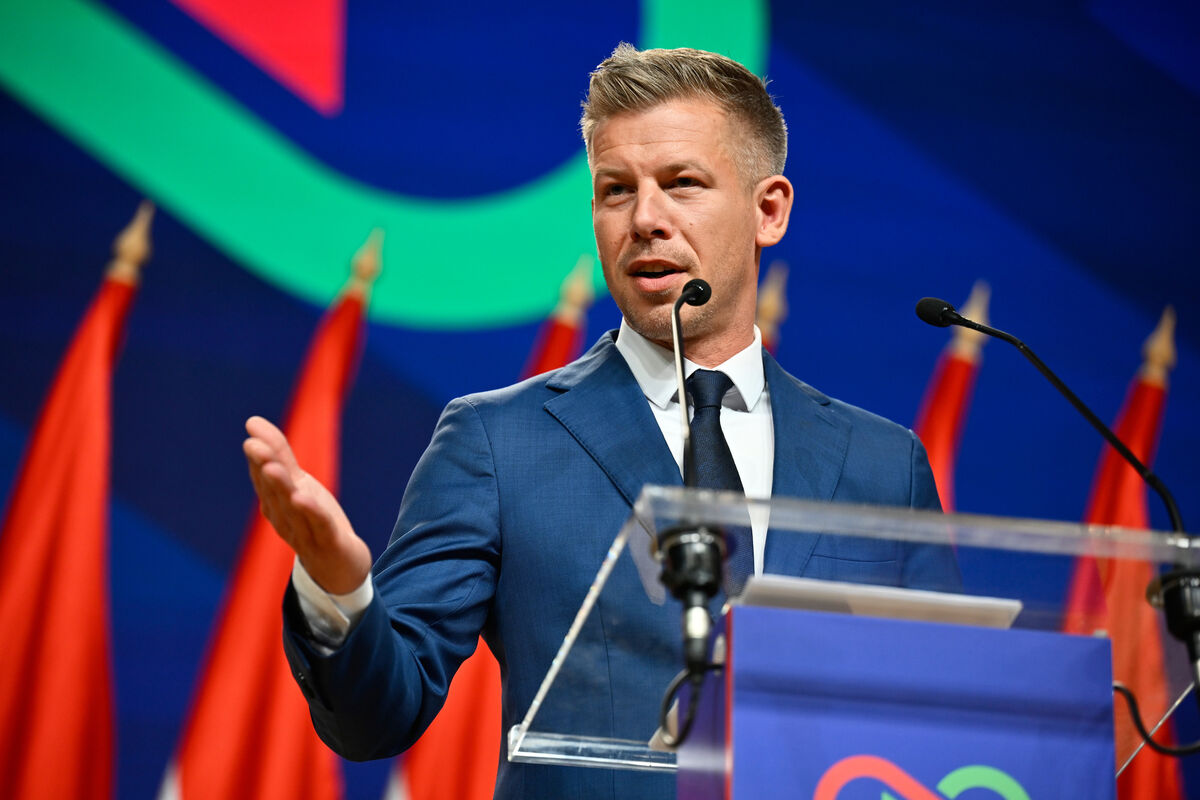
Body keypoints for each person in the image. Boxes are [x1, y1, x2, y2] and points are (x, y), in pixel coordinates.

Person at [244, 44, 960, 800]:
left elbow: (952, 722)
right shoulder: (497, 444)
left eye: (682, 184)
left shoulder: (884, 465)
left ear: (768, 209)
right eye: (616, 190)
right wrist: (342, 589)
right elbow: (376, 718)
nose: (645, 219)